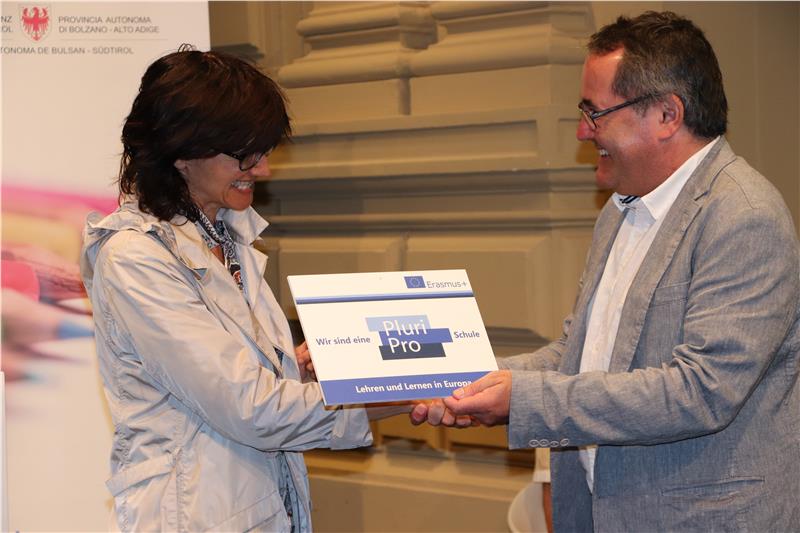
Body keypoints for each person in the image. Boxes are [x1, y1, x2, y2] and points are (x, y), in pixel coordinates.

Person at [412, 11, 800, 531]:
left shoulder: (743, 215)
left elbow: (701, 391)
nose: (582, 130)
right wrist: (471, 381)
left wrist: (522, 400)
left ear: (667, 114)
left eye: (595, 112)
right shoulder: (621, 210)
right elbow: (580, 353)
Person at [80, 47, 406, 532]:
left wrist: (295, 365)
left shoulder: (225, 234)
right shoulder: (134, 258)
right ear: (182, 152)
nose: (263, 169)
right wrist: (400, 393)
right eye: (244, 155)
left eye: (264, 151)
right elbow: (250, 409)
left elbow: (226, 373)